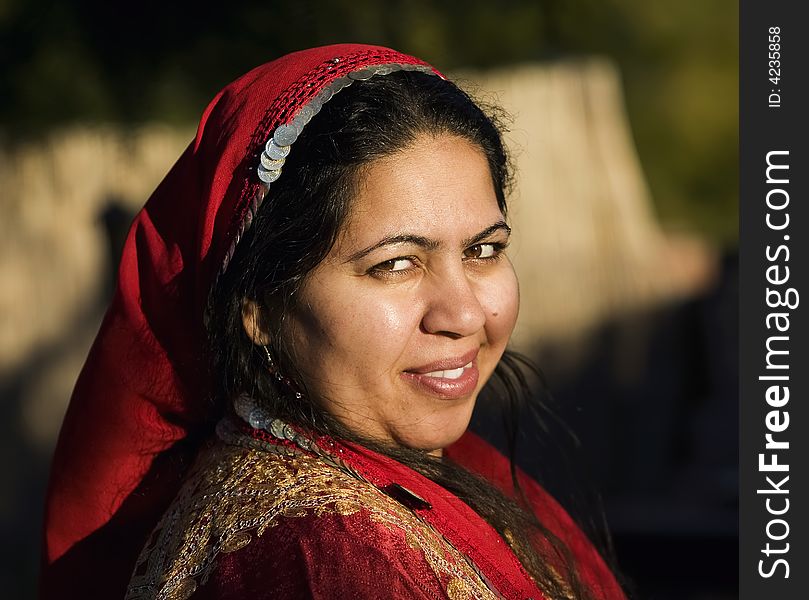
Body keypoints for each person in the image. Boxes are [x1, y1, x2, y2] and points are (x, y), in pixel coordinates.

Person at [41, 44, 626, 599]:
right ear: (260, 309)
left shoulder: (413, 480)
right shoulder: (323, 559)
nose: (465, 313)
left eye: (484, 250)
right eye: (395, 264)